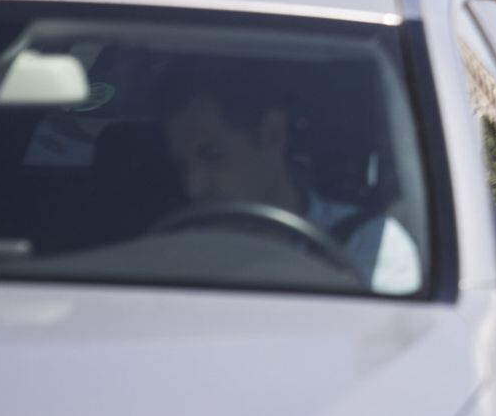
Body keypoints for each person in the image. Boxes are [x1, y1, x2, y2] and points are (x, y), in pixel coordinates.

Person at [157, 60, 421, 294]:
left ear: (272, 135)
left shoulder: (366, 242)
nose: (193, 186)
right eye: (182, 166)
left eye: (212, 155)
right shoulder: (176, 252)